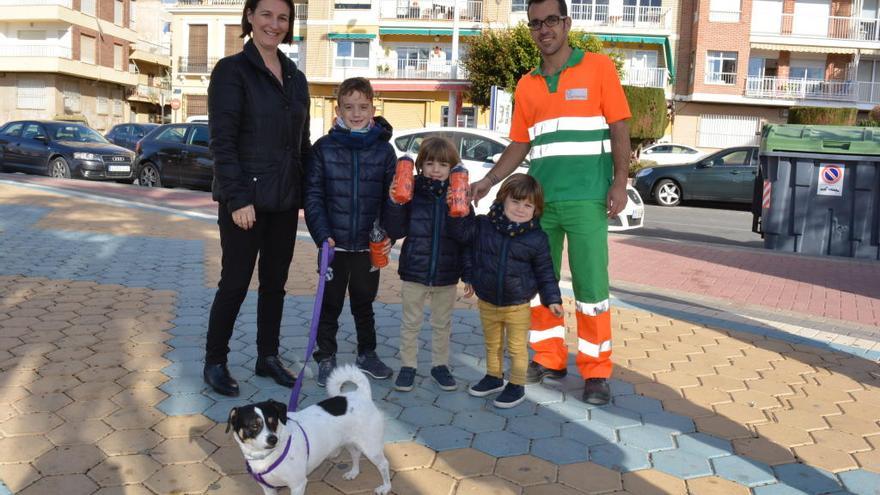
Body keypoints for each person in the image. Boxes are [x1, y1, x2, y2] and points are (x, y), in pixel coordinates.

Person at [469, 0, 632, 405]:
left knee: (592, 289)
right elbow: (520, 144)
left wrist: (620, 182)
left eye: (551, 21)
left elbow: (619, 126)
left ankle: (596, 372)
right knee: (541, 286)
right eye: (535, 24)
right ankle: (549, 358)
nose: (544, 30)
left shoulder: (598, 68)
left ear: (567, 23)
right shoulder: (526, 85)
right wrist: (489, 181)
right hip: (539, 205)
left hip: (588, 201)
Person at [204, 0, 310, 397]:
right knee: (234, 281)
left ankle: (267, 357)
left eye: (282, 18)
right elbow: (222, 142)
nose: (274, 24)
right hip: (245, 201)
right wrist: (237, 198)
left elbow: (302, 145)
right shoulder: (232, 71)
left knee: (275, 284)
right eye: (266, 15)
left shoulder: (296, 77)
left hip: (284, 199)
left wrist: (313, 191)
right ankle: (215, 361)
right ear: (249, 16)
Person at [305, 77, 396, 387]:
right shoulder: (323, 148)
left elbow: (391, 198)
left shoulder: (384, 151)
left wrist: (387, 233)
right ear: (338, 109)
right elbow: (313, 196)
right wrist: (322, 234)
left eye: (363, 107)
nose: (356, 113)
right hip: (334, 244)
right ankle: (325, 356)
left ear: (373, 108)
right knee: (329, 303)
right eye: (349, 107)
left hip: (368, 247)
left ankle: (366, 353)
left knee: (363, 302)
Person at [448, 174, 563, 408]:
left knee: (517, 347)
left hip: (518, 304)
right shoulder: (483, 225)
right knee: (493, 343)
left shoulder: (537, 238)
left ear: (536, 209)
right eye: (516, 202)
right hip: (487, 300)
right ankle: (493, 377)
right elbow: (464, 239)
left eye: (528, 205)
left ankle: (516, 385)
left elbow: (545, 271)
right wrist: (461, 205)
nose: (521, 209)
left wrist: (552, 299)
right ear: (502, 200)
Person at [383, 137, 473, 393]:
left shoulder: (459, 194)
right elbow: (397, 229)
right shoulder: (412, 192)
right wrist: (396, 203)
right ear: (420, 165)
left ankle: (439, 365)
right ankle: (408, 366)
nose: (436, 169)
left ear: (452, 167)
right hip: (414, 269)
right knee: (410, 322)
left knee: (442, 323)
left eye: (443, 164)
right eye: (430, 163)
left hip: (447, 272)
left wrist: (468, 273)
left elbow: (466, 237)